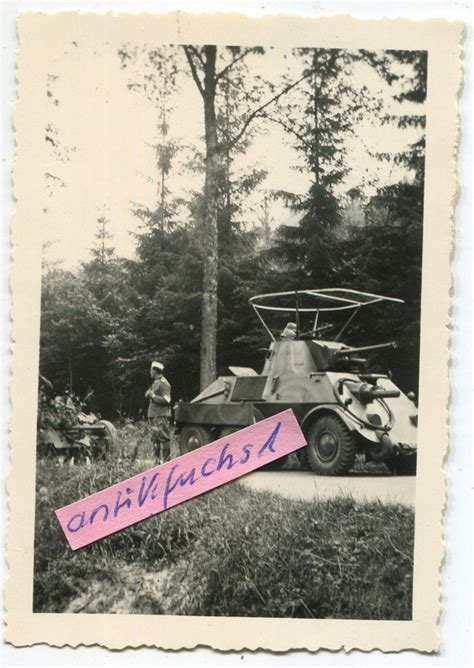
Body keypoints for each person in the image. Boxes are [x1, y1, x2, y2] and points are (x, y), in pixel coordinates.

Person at [145, 361, 172, 463]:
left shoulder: (164, 384)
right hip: (154, 415)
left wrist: (152, 396)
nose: (150, 372)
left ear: (155, 371)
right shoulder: (155, 383)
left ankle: (166, 462)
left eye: (151, 370)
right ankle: (156, 462)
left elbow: (167, 400)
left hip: (161, 416)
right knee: (155, 438)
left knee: (163, 438)